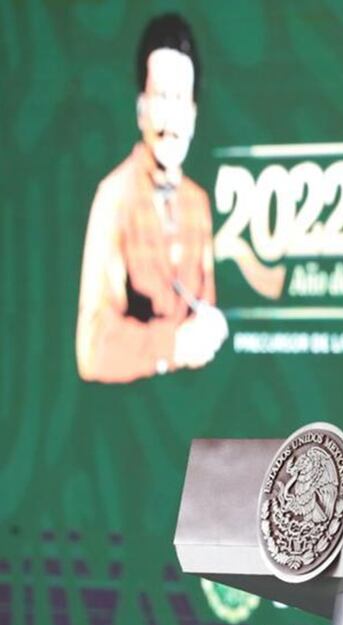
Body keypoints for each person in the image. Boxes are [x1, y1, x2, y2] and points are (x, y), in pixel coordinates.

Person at [76, 13, 227, 383]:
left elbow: (204, 307)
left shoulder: (197, 202)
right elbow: (92, 350)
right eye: (161, 97)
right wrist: (172, 345)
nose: (170, 120)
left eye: (180, 100)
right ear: (141, 107)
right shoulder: (115, 197)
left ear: (193, 114)